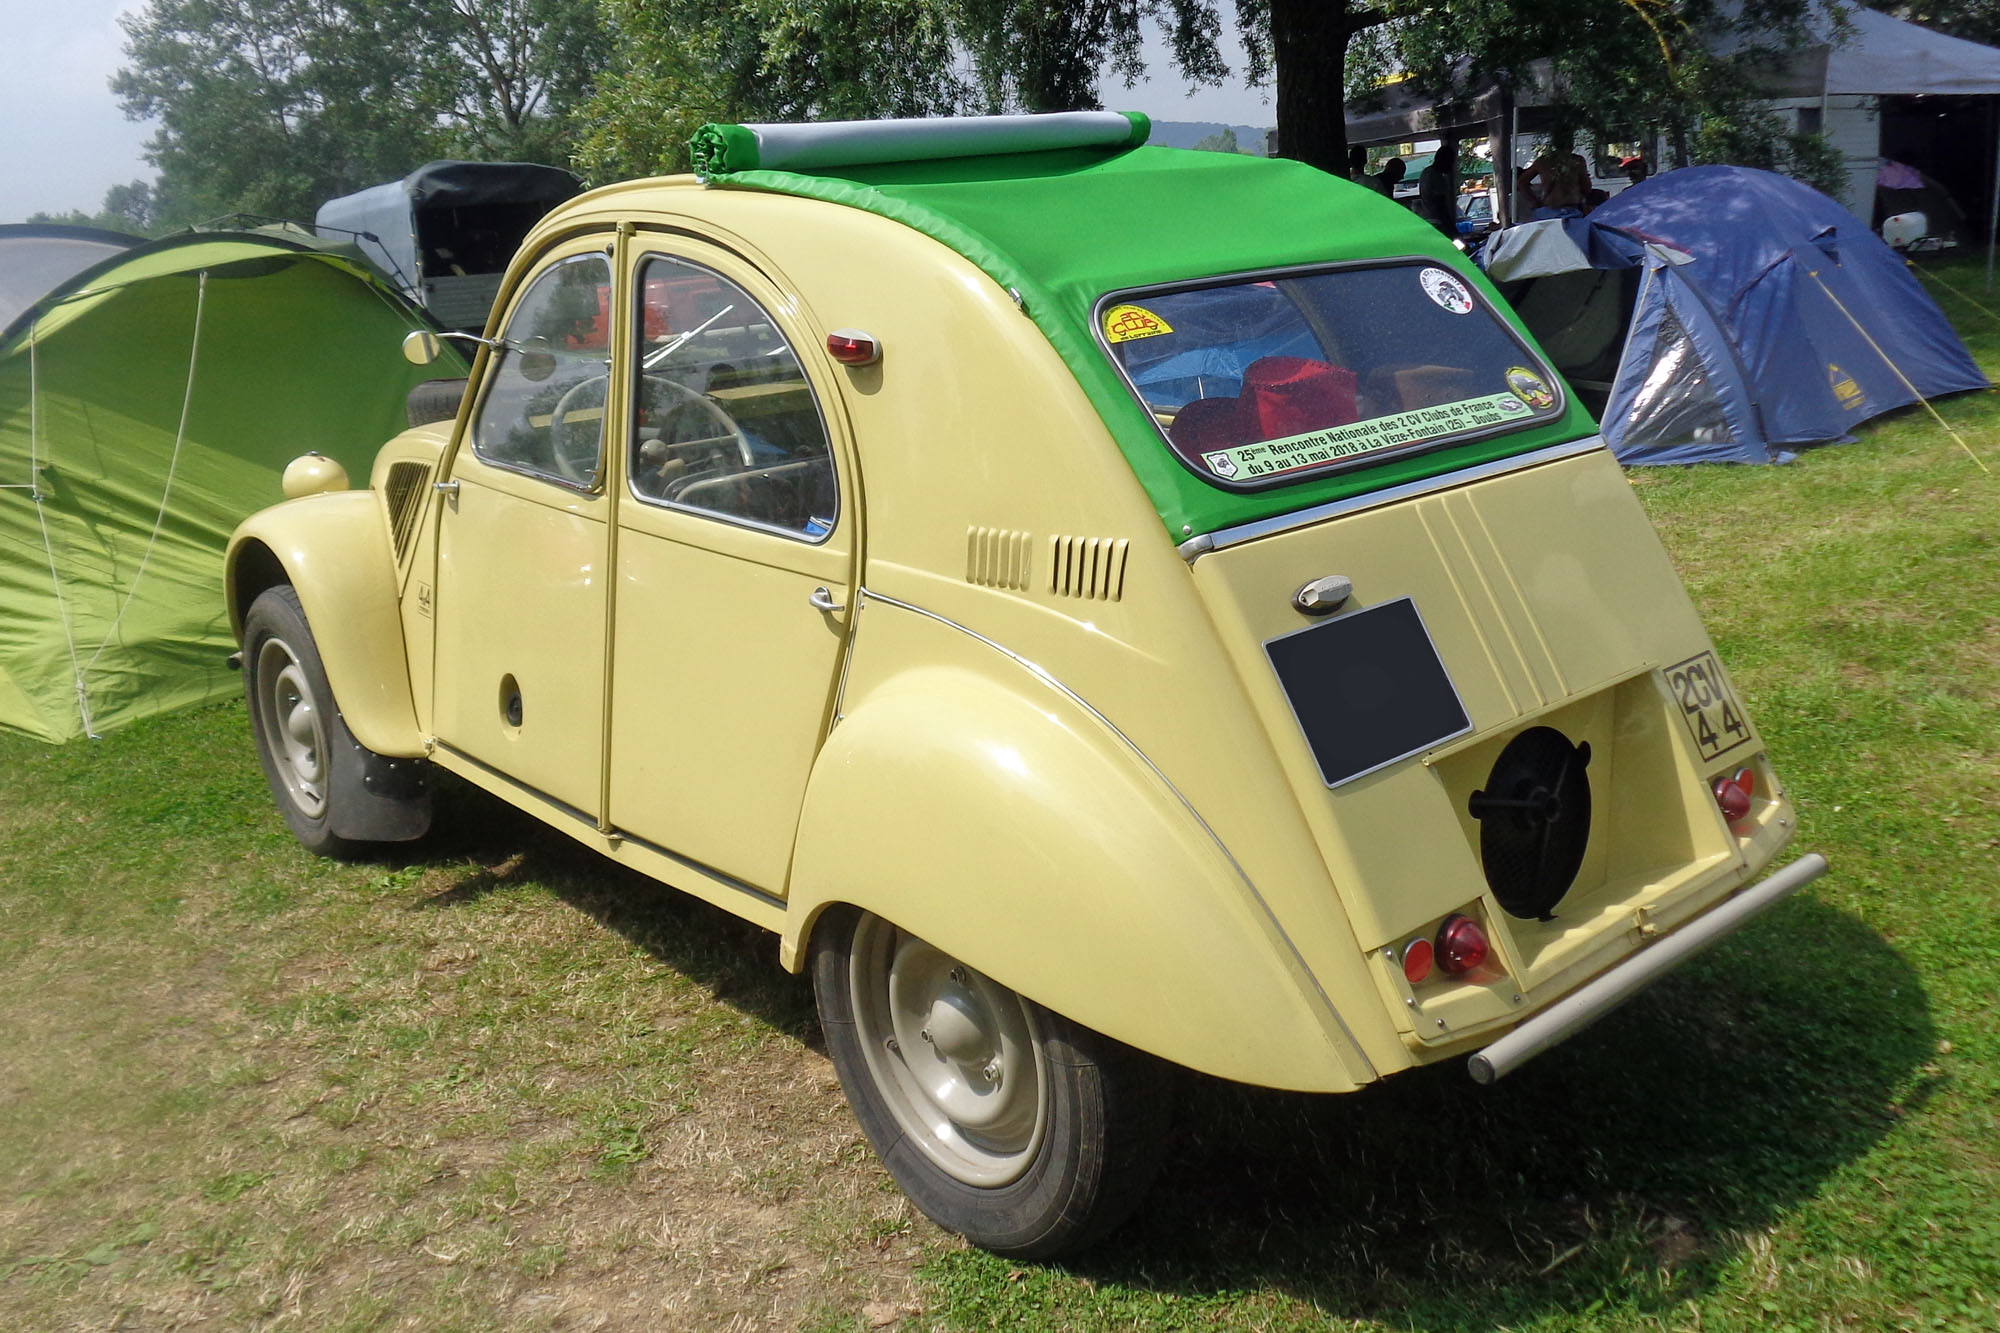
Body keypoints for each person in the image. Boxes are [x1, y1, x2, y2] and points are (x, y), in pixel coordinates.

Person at [1519, 129, 1590, 219]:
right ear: (1571, 142)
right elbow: (1587, 188)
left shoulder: (1543, 161)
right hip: (1572, 209)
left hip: (1548, 209)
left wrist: (1535, 202)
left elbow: (1521, 182)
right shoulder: (1577, 161)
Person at [1416, 135, 1460, 236]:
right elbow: (1441, 204)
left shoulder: (1426, 173)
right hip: (1438, 223)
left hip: (1428, 220)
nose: (1452, 165)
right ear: (1445, 161)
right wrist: (1452, 229)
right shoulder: (1436, 177)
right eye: (1451, 162)